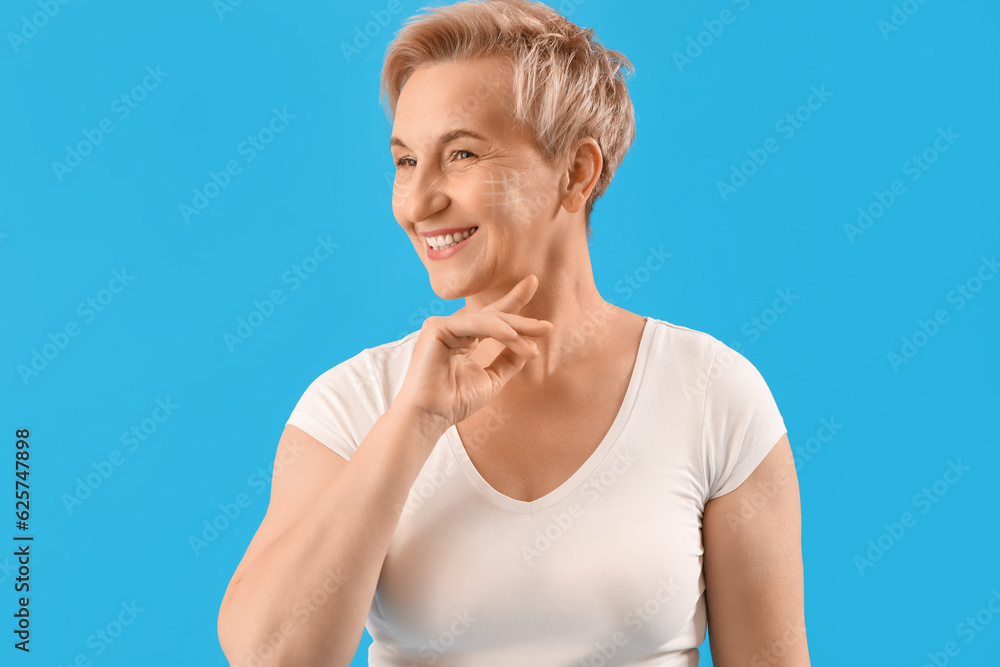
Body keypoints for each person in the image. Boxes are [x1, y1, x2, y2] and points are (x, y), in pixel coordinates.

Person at [217, 0, 810, 665]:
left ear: (577, 172)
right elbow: (268, 655)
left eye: (461, 153)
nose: (417, 202)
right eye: (406, 161)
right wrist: (413, 425)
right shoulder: (354, 404)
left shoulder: (714, 394)